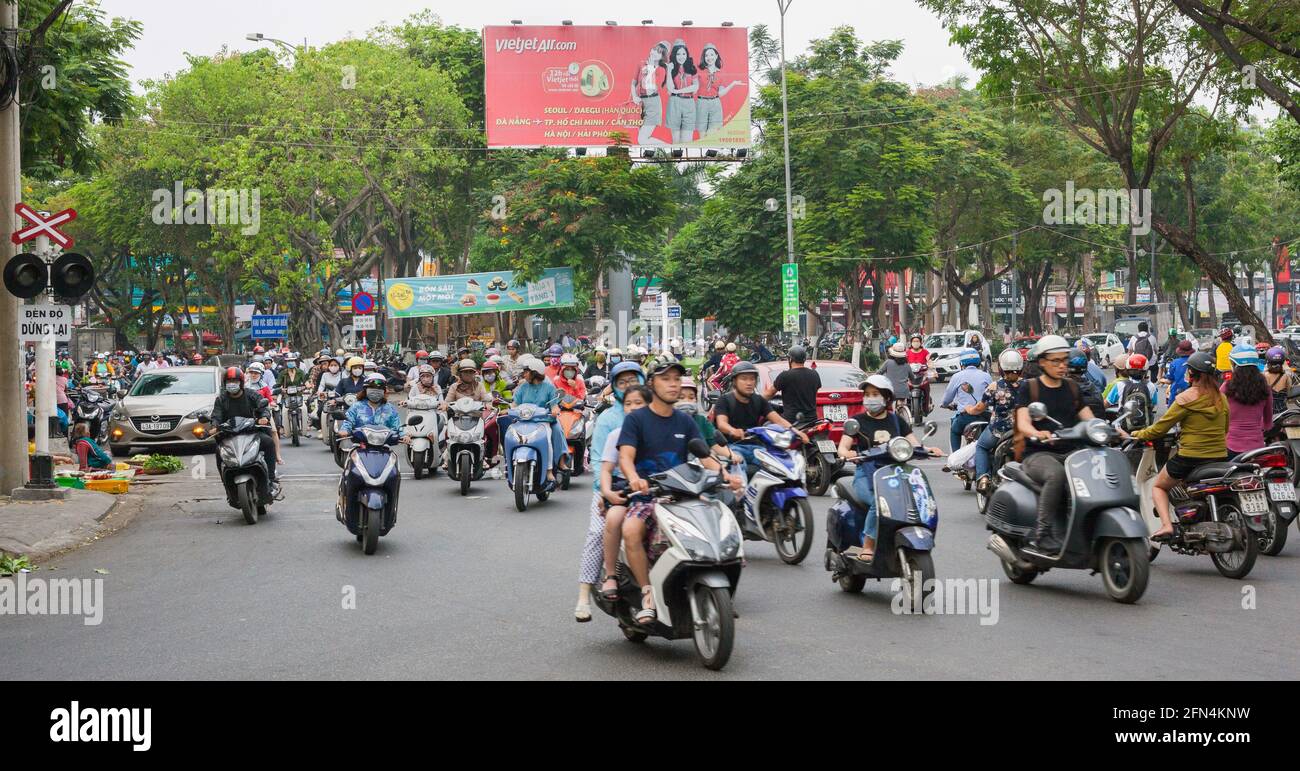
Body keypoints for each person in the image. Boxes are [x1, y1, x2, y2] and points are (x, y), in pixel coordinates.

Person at [618, 361, 740, 623]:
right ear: (652, 384)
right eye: (666, 379)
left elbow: (704, 456)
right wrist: (634, 478)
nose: (673, 384)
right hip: (648, 496)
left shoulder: (685, 421)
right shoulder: (636, 420)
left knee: (720, 526)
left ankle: (718, 591)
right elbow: (625, 458)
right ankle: (646, 594)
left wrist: (725, 475)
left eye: (677, 379)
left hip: (684, 495)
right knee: (630, 530)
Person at [836, 374, 944, 562]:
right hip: (866, 474)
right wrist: (850, 454)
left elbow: (913, 444)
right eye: (867, 394)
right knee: (878, 504)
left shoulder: (897, 421)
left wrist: (929, 450)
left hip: (896, 473)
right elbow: (843, 448)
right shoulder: (857, 421)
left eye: (875, 394)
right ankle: (868, 545)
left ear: (886, 398)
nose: (870, 398)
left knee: (917, 503)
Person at [573, 362, 646, 621]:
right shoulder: (608, 419)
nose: (628, 386)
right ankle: (584, 595)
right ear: (614, 386)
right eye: (622, 382)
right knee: (596, 532)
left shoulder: (654, 413)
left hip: (649, 486)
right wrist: (604, 491)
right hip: (612, 487)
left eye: (632, 380)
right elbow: (598, 463)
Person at [1126, 352, 1228, 539]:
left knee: (1159, 487)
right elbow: (1226, 428)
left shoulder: (1185, 398)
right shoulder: (1221, 398)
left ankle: (1166, 525)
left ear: (1191, 373)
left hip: (1191, 457)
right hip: (1220, 455)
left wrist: (1137, 433)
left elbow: (1159, 428)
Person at [1015, 335, 1095, 555]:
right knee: (1056, 475)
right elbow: (1023, 423)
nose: (1062, 366)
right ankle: (1043, 533)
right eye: (1055, 361)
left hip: (1072, 452)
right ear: (1042, 362)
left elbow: (1088, 417)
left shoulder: (1072, 388)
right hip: (1038, 454)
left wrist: (1109, 429)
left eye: (1065, 360)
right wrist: (1037, 433)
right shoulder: (1029, 388)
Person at [586, 384, 653, 619]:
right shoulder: (616, 434)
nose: (633, 408)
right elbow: (606, 469)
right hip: (628, 493)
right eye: (628, 404)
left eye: (639, 403)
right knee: (614, 518)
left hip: (661, 491)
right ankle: (611, 575)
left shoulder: (659, 429)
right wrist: (607, 492)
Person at [714, 361, 808, 476]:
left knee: (780, 466)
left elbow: (778, 420)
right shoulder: (724, 400)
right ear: (734, 381)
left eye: (752, 379)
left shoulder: (759, 400)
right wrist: (733, 431)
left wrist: (797, 432)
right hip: (733, 447)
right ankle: (739, 493)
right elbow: (722, 424)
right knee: (738, 467)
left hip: (756, 448)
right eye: (744, 379)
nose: (749, 383)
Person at [210, 366, 279, 495]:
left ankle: (271, 479)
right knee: (218, 452)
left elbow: (262, 406)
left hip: (251, 432)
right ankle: (228, 487)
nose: (232, 384)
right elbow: (216, 415)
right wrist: (214, 427)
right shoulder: (221, 399)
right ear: (225, 384)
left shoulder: (251, 394)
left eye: (235, 381)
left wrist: (264, 417)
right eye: (229, 382)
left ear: (241, 382)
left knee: (269, 442)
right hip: (229, 435)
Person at [971, 349, 1024, 493]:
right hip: (1023, 430)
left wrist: (968, 410)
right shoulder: (1029, 386)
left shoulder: (995, 386)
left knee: (981, 447)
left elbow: (979, 408)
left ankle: (983, 478)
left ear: (1001, 368)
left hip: (999, 431)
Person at [512, 355, 569, 481]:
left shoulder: (548, 387)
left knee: (549, 439)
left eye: (526, 372)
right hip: (525, 422)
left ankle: (549, 470)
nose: (524, 375)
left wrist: (555, 409)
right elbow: (515, 404)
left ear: (534, 372)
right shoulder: (523, 387)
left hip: (543, 422)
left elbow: (554, 404)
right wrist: (509, 410)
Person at [1222, 345, 1271, 455]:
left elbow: (1217, 412)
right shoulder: (1265, 388)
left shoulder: (1226, 387)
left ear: (1234, 364)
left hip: (1230, 446)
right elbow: (1267, 423)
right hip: (1257, 448)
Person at [942, 349, 992, 452]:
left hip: (966, 417)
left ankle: (955, 458)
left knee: (955, 431)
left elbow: (947, 399)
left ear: (962, 363)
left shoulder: (957, 376)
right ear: (978, 362)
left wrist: (945, 404)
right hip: (985, 415)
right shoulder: (986, 376)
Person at [763, 344, 821, 424]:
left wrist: (757, 402)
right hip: (812, 420)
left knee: (766, 425)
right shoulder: (814, 374)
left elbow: (769, 393)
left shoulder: (785, 375)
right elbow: (814, 394)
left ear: (790, 359)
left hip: (791, 421)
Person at [340, 373, 404, 439]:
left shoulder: (390, 408)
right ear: (365, 390)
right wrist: (344, 430)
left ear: (384, 391)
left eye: (379, 388)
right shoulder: (356, 406)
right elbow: (348, 420)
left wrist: (404, 435)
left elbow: (397, 426)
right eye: (372, 387)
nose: (376, 391)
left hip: (383, 445)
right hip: (360, 444)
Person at [1264, 346, 1297, 414]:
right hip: (1283, 410)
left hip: (1267, 410)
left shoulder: (1264, 375)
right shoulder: (1286, 376)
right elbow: (1288, 392)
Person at [877, 342, 910, 409]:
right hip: (904, 391)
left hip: (890, 391)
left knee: (887, 405)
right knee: (902, 403)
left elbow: (879, 373)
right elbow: (912, 377)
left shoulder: (888, 362)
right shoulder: (907, 365)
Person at [1162, 339, 1194, 405]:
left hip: (1177, 394)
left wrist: (1161, 379)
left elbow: (1170, 380)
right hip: (1193, 394)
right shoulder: (1195, 361)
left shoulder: (1175, 363)